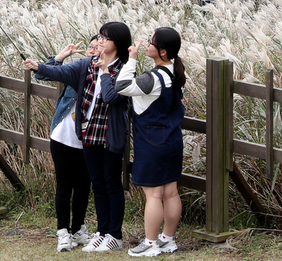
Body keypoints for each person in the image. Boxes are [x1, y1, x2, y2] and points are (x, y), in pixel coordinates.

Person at [24, 22, 132, 253]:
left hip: (110, 136)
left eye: (106, 38)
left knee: (112, 185)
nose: (100, 41)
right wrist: (38, 66)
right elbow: (60, 72)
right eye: (100, 37)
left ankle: (115, 234)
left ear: (118, 43)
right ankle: (102, 232)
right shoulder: (87, 65)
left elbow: (113, 98)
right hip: (88, 133)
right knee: (99, 185)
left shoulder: (125, 69)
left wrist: (104, 72)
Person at [117, 27, 186, 258]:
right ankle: (168, 239)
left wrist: (132, 60)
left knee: (154, 195)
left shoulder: (152, 77)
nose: (147, 44)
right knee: (171, 193)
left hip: (151, 141)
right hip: (173, 140)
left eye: (152, 42)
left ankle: (150, 242)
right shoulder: (173, 73)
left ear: (163, 52)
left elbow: (122, 87)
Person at [31, 38, 99, 252]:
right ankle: (63, 232)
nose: (93, 51)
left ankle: (78, 229)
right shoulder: (76, 70)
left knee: (83, 186)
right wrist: (60, 57)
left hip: (88, 139)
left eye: (99, 47)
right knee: (64, 185)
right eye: (91, 47)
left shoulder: (106, 74)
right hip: (63, 137)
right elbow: (42, 73)